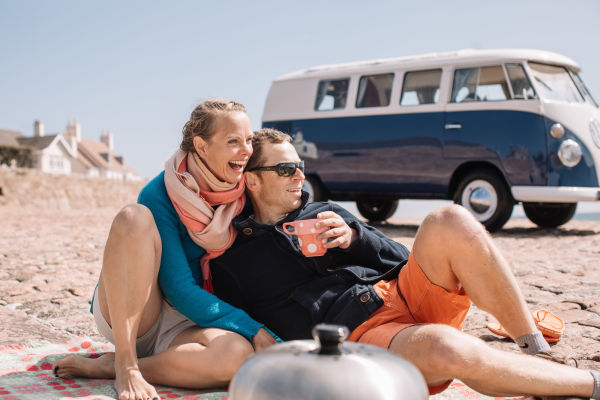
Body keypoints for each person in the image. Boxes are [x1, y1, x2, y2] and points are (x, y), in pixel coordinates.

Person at [209, 128, 600, 399]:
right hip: (364, 333)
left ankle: (533, 350)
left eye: (299, 167)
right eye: (284, 169)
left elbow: (404, 259)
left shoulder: (324, 211)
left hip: (404, 291)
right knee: (447, 349)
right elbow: (221, 318)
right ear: (253, 181)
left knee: (450, 219)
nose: (298, 175)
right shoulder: (236, 260)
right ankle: (590, 384)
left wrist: (357, 238)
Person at [53, 100, 278, 400]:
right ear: (201, 146)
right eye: (233, 141)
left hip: (190, 322)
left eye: (248, 140)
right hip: (138, 309)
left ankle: (116, 366)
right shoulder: (161, 192)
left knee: (236, 355)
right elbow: (178, 288)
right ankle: (126, 362)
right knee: (134, 217)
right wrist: (254, 328)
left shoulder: (241, 193)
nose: (246, 150)